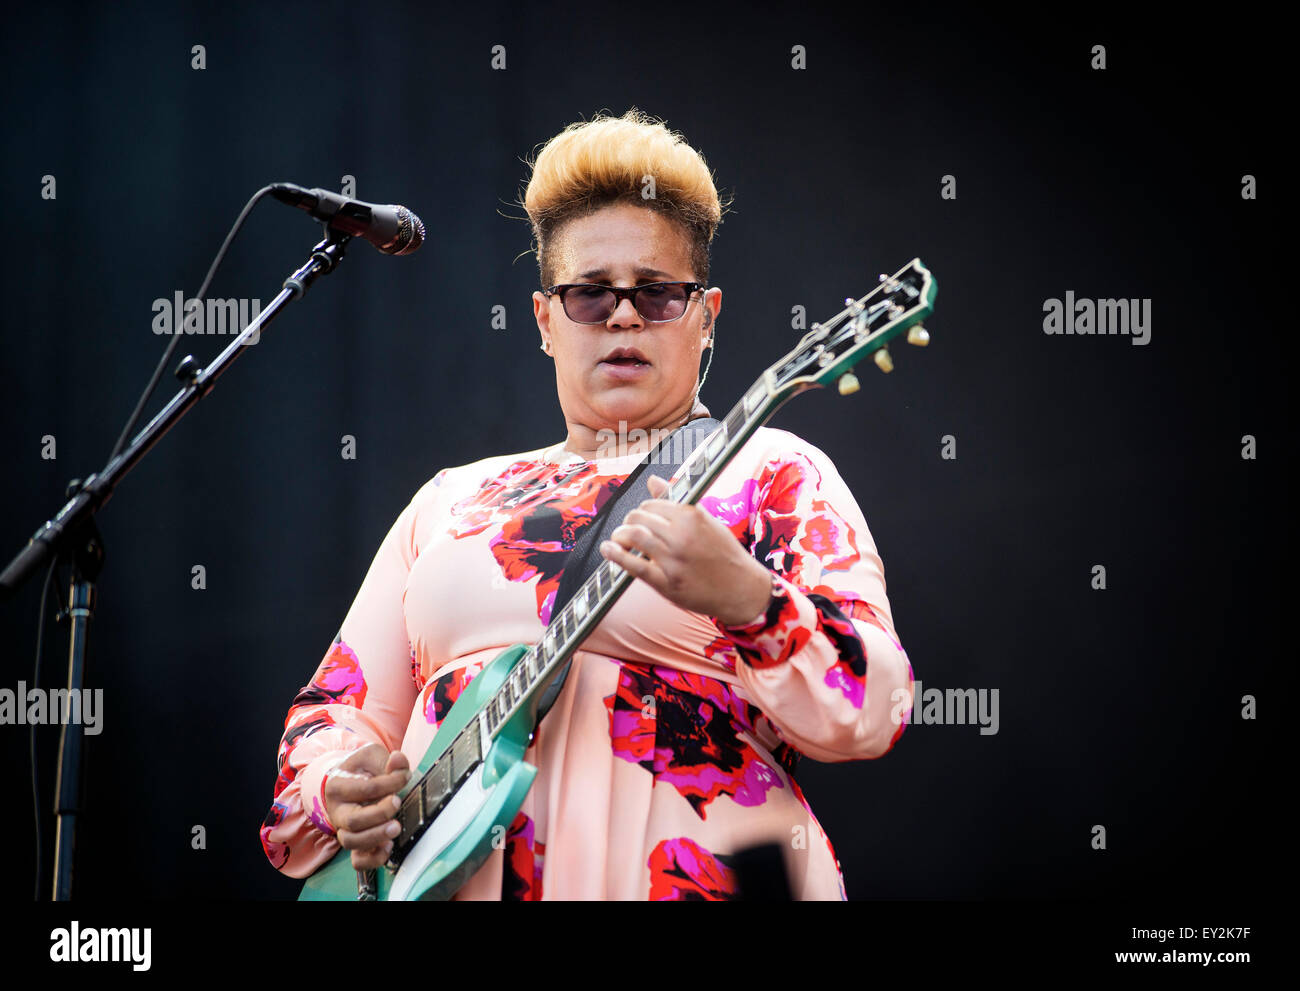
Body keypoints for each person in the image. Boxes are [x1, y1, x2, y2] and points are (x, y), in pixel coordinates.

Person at [260, 108, 915, 900]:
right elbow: (333, 710)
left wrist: (748, 598)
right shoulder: (449, 500)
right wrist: (340, 787)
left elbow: (874, 704)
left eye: (658, 294)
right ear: (544, 322)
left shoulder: (772, 470)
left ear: (705, 318)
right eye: (590, 296)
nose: (626, 314)